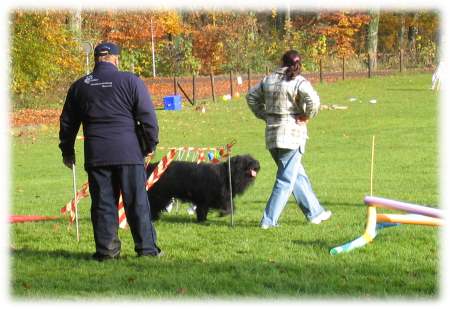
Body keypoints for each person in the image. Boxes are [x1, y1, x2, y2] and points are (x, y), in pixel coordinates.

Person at [59, 42, 163, 261]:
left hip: (97, 154)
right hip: (129, 152)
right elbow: (148, 119)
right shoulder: (131, 81)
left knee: (103, 205)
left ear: (96, 59)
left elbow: (67, 123)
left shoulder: (80, 86)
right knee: (137, 202)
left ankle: (107, 252)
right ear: (116, 59)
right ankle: (146, 250)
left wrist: (67, 151)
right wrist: (149, 146)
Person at [246, 50, 331, 229]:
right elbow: (314, 101)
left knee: (296, 175)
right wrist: (307, 115)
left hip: (272, 136)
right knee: (285, 179)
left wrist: (264, 115)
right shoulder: (298, 81)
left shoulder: (268, 80)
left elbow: (251, 97)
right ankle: (268, 221)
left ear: (281, 61)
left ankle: (315, 213)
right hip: (292, 136)